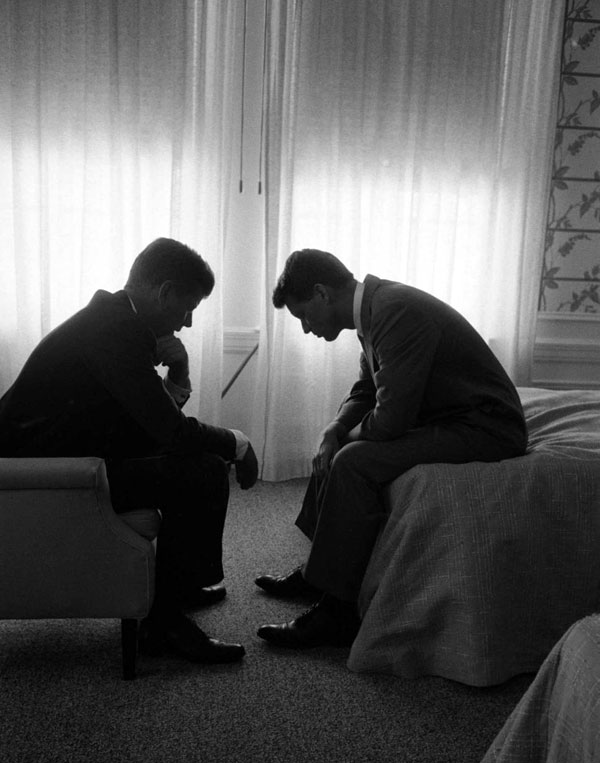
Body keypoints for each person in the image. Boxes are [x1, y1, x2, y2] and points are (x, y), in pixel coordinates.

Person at [0, 237, 258, 663]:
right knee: (204, 471)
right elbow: (169, 432)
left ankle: (182, 589)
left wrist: (179, 370)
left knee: (198, 464)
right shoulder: (114, 331)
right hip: (46, 477)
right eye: (188, 307)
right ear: (166, 292)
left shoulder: (115, 322)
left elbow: (150, 423)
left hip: (69, 459)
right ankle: (165, 626)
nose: (189, 322)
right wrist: (237, 442)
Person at [255, 249, 528, 649]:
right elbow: (367, 390)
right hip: (449, 415)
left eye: (303, 317)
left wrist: (342, 443)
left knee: (351, 461)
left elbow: (391, 420)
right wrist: (333, 429)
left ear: (321, 293)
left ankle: (338, 613)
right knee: (333, 445)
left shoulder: (394, 311)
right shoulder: (375, 311)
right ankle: (319, 573)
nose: (307, 329)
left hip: (486, 426)